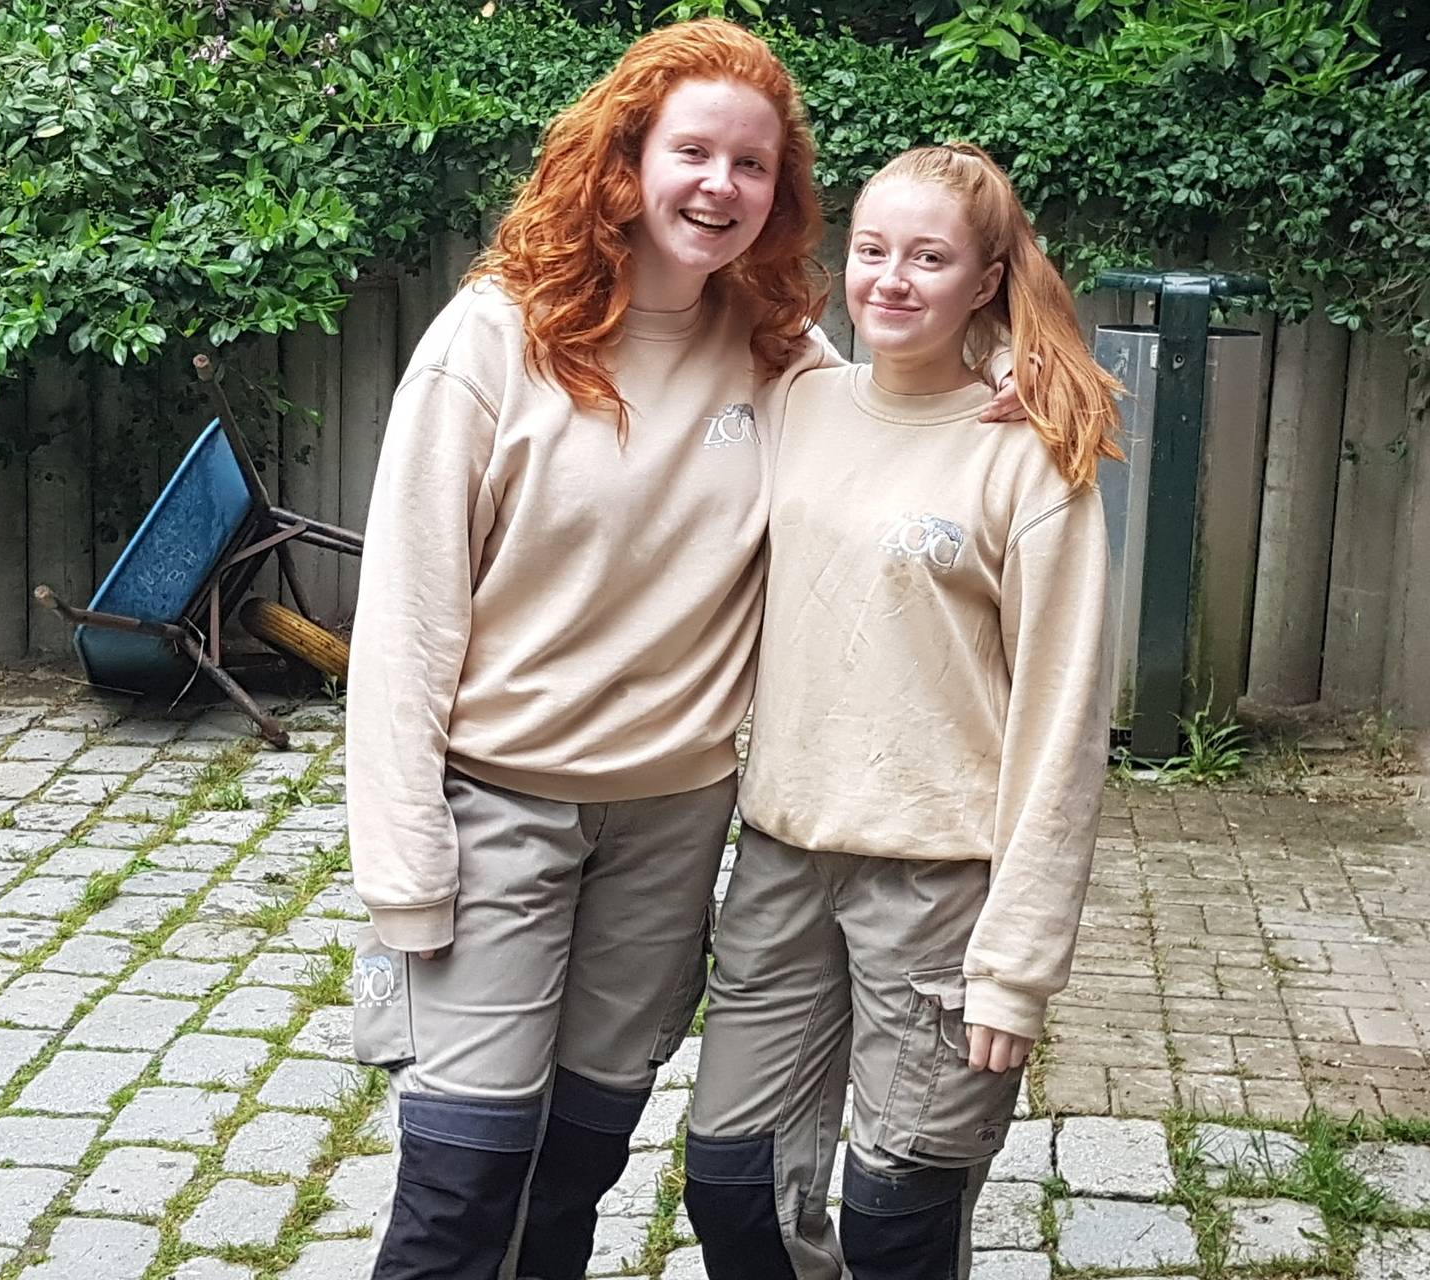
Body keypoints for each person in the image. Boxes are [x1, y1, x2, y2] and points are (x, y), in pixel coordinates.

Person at [343, 23, 1017, 1279]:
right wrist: (400, 873)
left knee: (579, 1160)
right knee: (463, 1170)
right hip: (499, 805)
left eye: (751, 165)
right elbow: (403, 622)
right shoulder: (493, 341)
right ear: (623, 160)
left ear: (779, 194)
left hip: (671, 821)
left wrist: (1012, 382)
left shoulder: (776, 355)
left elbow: (906, 405)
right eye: (691, 151)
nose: (719, 185)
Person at [678, 142, 1118, 1278]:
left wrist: (1015, 962)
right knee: (732, 1189)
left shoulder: (1029, 460)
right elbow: (686, 293)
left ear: (983, 281)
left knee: (895, 1214)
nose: (892, 279)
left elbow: (1061, 722)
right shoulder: (794, 397)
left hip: (939, 887)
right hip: (782, 855)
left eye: (930, 258)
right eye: (871, 250)